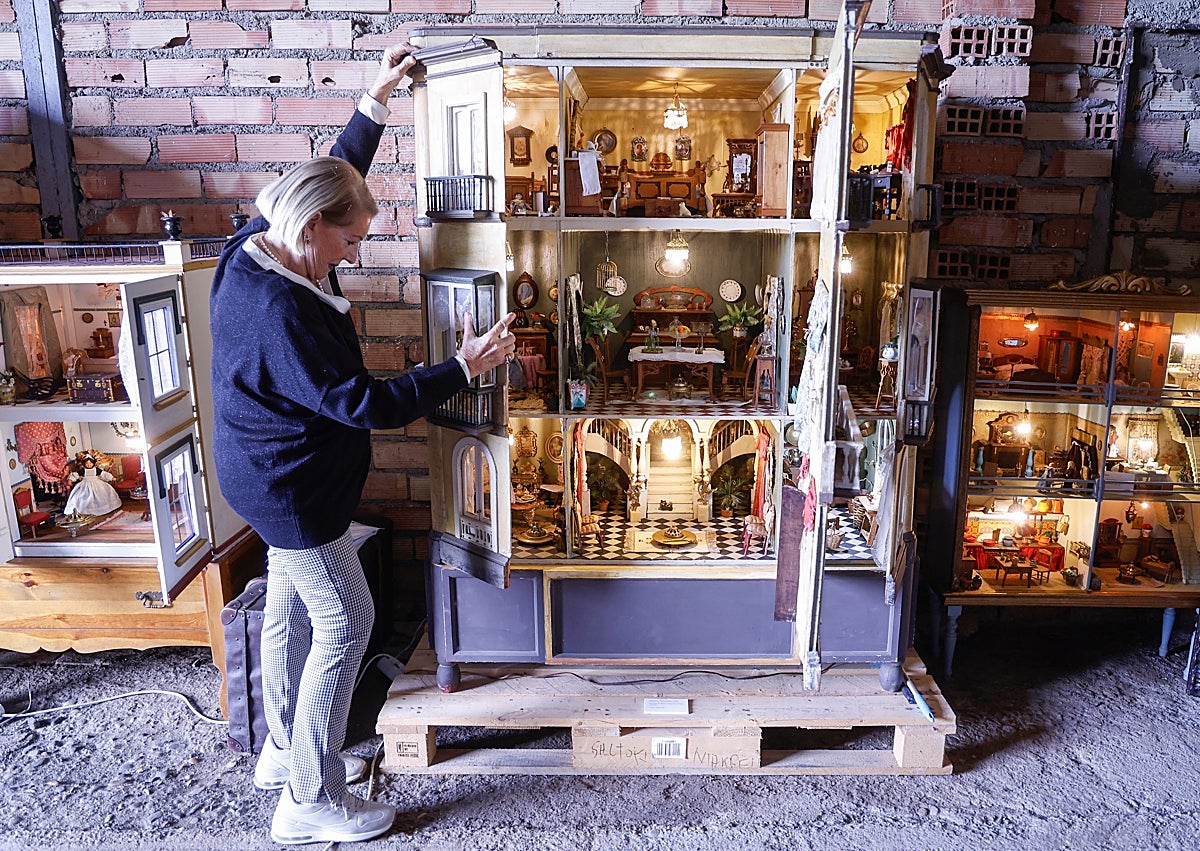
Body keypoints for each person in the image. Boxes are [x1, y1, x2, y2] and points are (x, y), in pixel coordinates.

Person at [209, 43, 515, 846]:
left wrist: (372, 105)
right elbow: (365, 405)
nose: (354, 252)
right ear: (313, 232)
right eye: (348, 244)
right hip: (294, 492)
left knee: (287, 613)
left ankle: (283, 752)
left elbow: (333, 173)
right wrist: (463, 364)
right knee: (347, 619)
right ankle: (309, 797)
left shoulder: (260, 235)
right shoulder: (285, 317)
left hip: (253, 473)